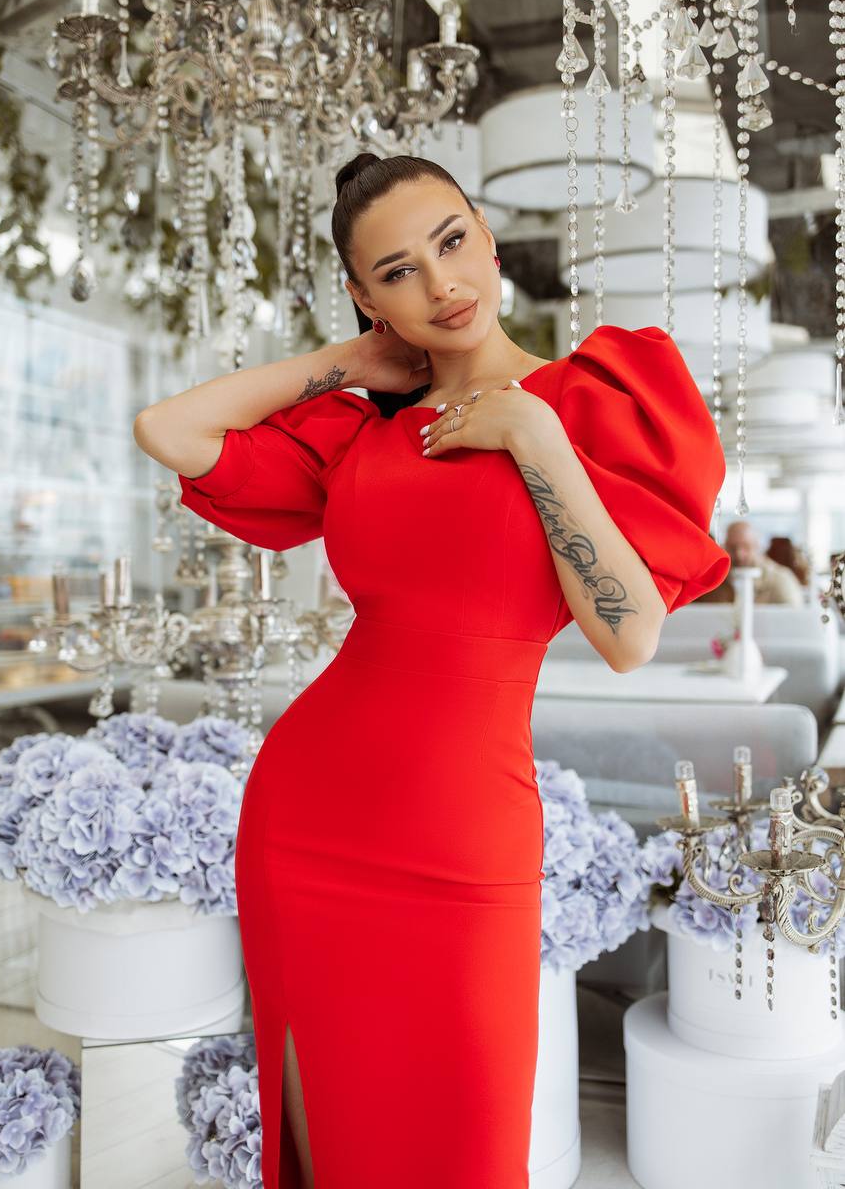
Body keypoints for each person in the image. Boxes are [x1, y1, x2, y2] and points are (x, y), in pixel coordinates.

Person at [132, 152, 731, 1189]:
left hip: (467, 840)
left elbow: (628, 635)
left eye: (453, 241)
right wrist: (345, 366)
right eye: (399, 270)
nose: (442, 283)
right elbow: (168, 429)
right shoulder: (361, 434)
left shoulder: (587, 403)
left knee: (464, 1142)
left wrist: (534, 435)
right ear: (367, 297)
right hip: (310, 819)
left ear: (488, 238)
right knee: (320, 1136)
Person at [696, 520, 805, 605]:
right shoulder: (714, 582)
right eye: (732, 548)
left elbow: (795, 624)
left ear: (757, 546)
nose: (739, 554)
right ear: (725, 547)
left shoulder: (780, 580)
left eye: (746, 547)